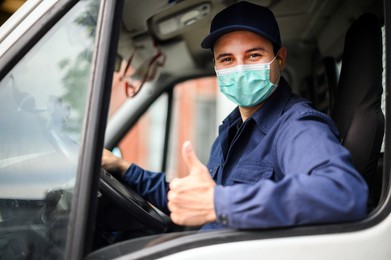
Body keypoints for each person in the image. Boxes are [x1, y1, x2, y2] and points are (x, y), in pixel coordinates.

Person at [102, 1, 368, 230]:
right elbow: (198, 197)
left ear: (280, 59)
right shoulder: (231, 129)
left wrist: (219, 204)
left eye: (253, 55)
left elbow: (343, 192)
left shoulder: (297, 125)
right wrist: (123, 167)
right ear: (216, 66)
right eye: (227, 59)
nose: (239, 69)